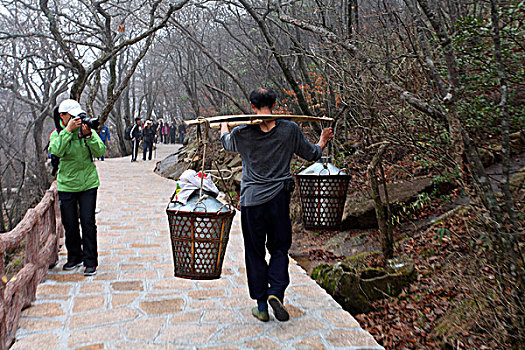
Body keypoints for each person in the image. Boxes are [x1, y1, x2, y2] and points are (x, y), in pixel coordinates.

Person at [220, 88, 334, 322]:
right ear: (274, 103)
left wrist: (224, 126)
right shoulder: (289, 129)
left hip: (252, 202)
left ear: (252, 106)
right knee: (279, 249)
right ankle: (276, 293)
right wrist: (322, 140)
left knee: (255, 252)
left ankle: (261, 305)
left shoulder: (243, 133)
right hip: (279, 200)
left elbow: (227, 143)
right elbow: (312, 154)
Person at [48, 99, 106, 276]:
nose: (77, 119)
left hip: (88, 183)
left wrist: (89, 136)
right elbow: (55, 150)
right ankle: (74, 257)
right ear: (63, 117)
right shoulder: (57, 133)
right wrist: (68, 131)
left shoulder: (85, 129)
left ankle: (91, 261)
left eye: (78, 116)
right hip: (67, 184)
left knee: (88, 222)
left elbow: (100, 151)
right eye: (72, 116)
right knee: (70, 223)